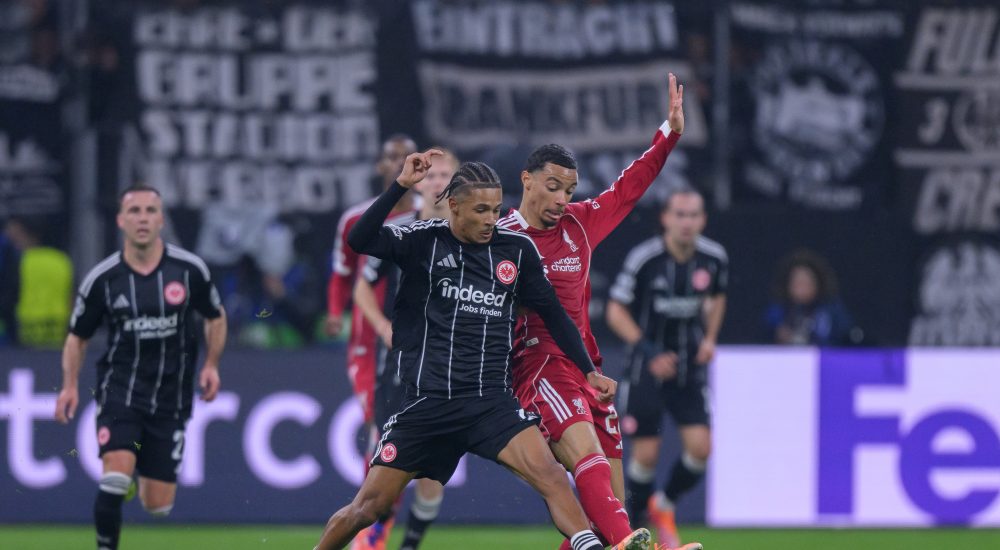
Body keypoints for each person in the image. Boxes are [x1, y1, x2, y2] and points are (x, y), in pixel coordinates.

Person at [315, 151, 652, 550]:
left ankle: (591, 546)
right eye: (480, 210)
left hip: (490, 403)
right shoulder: (423, 240)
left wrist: (588, 370)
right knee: (367, 508)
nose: (492, 219)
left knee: (553, 478)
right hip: (429, 402)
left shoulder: (516, 250)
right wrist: (401, 186)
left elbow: (554, 315)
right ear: (453, 206)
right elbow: (360, 239)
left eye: (495, 209)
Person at [499, 73, 699, 550]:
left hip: (587, 370)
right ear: (527, 181)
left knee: (609, 509)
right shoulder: (500, 237)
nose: (562, 200)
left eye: (569, 190)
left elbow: (629, 187)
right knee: (590, 466)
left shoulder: (580, 225)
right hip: (537, 366)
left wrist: (668, 133)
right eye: (553, 187)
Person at [54, 185, 227, 550]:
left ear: (161, 219)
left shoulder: (189, 270)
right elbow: (77, 337)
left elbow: (215, 316)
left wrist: (211, 364)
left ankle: (132, 477)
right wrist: (69, 386)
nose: (143, 218)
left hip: (171, 396)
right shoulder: (103, 279)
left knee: (157, 506)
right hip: (121, 391)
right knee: (113, 479)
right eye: (134, 211)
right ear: (121, 220)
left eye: (151, 211)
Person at [606, 187, 727, 548]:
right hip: (646, 369)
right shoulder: (645, 259)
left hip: (688, 370)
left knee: (701, 449)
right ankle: (638, 526)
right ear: (666, 219)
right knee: (645, 455)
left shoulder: (714, 258)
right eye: (680, 215)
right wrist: (649, 350)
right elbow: (615, 310)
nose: (686, 222)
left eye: (693, 215)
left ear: (702, 220)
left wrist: (710, 339)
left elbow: (719, 296)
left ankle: (664, 504)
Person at [352, 149, 459, 550]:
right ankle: (373, 534)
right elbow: (362, 284)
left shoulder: (473, 232)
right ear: (420, 182)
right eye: (431, 175)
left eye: (446, 174)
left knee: (432, 476)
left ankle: (409, 543)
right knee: (387, 452)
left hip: (450, 366)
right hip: (400, 363)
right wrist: (381, 326)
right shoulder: (398, 230)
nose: (437, 181)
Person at [327, 135, 419, 441]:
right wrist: (335, 312)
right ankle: (379, 490)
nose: (400, 163)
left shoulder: (428, 216)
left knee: (412, 434)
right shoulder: (356, 220)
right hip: (369, 334)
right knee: (380, 426)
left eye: (407, 156)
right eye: (393, 156)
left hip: (413, 334)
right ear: (380, 165)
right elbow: (343, 274)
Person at [764, 248, 856, 346]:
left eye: (807, 283)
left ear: (818, 284)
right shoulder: (778, 311)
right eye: (798, 283)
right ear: (788, 285)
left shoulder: (832, 310)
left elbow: (846, 337)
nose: (802, 288)